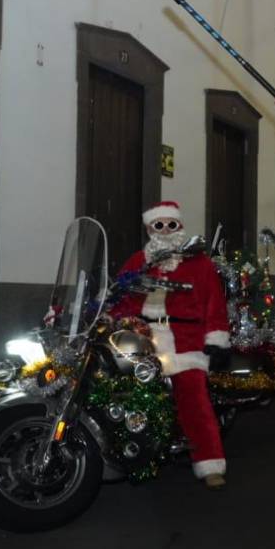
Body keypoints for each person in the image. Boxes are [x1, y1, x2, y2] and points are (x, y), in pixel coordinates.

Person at [111, 201, 231, 489]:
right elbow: (120, 296)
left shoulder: (199, 264)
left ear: (180, 227)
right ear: (150, 229)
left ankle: (209, 463)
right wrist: (107, 317)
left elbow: (214, 304)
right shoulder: (139, 261)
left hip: (184, 339)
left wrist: (216, 340)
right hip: (142, 338)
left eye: (171, 225)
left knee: (193, 395)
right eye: (158, 225)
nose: (165, 230)